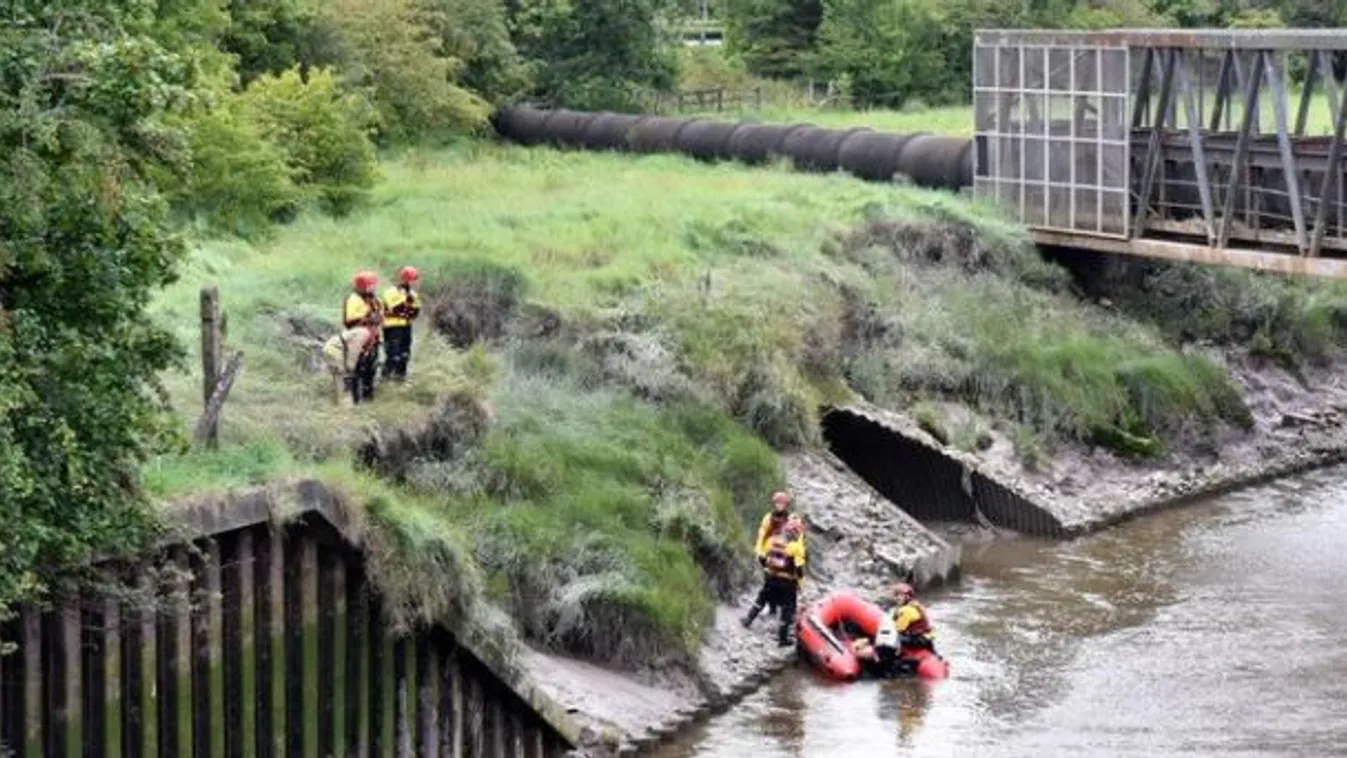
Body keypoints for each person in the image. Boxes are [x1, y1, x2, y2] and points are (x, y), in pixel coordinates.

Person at [741, 515, 806, 647]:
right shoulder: (796, 548)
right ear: (797, 532)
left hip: (771, 578)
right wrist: (800, 583)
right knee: (788, 609)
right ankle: (783, 638)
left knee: (761, 599)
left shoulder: (773, 540)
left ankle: (748, 619)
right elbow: (799, 568)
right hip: (788, 583)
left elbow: (762, 558)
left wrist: (767, 569)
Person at [755, 491, 805, 617]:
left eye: (783, 503)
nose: (780, 505)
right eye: (778, 503)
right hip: (769, 550)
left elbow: (798, 537)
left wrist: (797, 555)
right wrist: (759, 550)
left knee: (782, 579)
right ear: (774, 503)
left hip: (784, 552)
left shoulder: (791, 519)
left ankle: (781, 607)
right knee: (768, 579)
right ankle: (771, 607)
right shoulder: (769, 517)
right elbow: (762, 533)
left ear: (787, 505)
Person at [343, 271, 384, 403]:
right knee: (357, 370)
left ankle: (368, 398)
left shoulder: (374, 299)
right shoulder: (353, 299)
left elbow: (380, 315)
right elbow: (349, 321)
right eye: (372, 285)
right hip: (358, 340)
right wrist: (368, 318)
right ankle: (355, 399)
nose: (375, 287)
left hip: (373, 339)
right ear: (363, 286)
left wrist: (377, 318)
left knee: (371, 370)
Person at [380, 265, 422, 381]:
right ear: (403, 278)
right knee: (393, 354)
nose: (413, 282)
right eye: (411, 279)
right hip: (392, 326)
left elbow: (415, 311)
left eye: (414, 280)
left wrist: (407, 308)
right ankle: (386, 378)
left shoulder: (413, 294)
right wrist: (406, 304)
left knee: (405, 354)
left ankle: (400, 378)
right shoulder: (391, 292)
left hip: (406, 325)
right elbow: (396, 309)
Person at [321, 326, 379, 407]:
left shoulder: (361, 331)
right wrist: (351, 367)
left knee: (339, 378)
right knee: (342, 378)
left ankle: (340, 403)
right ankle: (345, 405)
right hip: (335, 350)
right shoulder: (364, 334)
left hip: (333, 349)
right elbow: (353, 351)